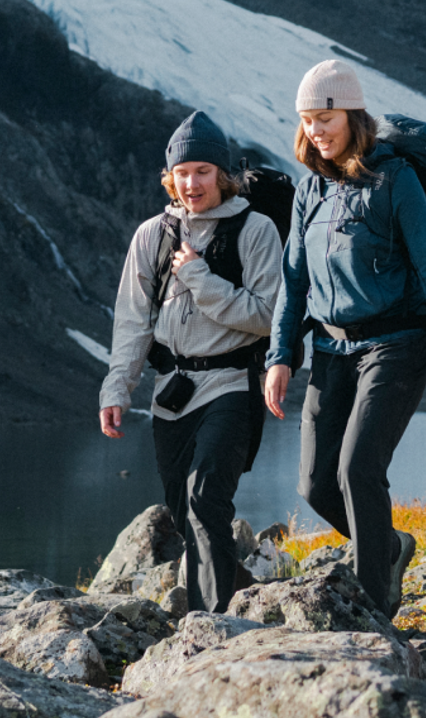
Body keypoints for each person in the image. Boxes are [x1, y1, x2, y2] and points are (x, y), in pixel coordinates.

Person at [263, 60, 426, 619]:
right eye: (308, 119)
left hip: (397, 344)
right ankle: (387, 547)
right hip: (332, 349)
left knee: (358, 468)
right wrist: (280, 356)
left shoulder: (395, 179)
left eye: (327, 116)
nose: (317, 129)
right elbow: (294, 280)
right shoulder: (310, 188)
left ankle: (371, 611)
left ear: (353, 114)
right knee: (316, 485)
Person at [99, 111, 283, 614]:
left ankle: (207, 627)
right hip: (170, 394)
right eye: (182, 172)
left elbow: (268, 316)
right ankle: (245, 592)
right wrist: (117, 389)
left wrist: (201, 280)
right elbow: (132, 321)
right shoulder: (151, 236)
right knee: (184, 514)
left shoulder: (256, 229)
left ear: (222, 175)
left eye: (202, 171)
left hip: (230, 385)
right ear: (170, 177)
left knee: (206, 501)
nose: (191, 183)